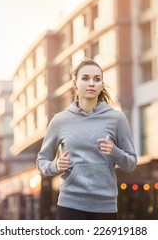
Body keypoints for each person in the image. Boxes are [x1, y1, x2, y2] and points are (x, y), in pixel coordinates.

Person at [36, 58, 137, 220]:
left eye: (97, 79)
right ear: (75, 84)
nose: (92, 83)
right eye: (85, 78)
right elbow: (42, 161)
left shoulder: (117, 118)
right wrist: (55, 165)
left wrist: (115, 152)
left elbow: (131, 163)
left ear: (101, 85)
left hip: (105, 205)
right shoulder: (60, 120)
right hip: (70, 204)